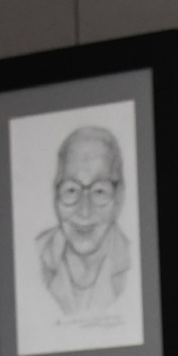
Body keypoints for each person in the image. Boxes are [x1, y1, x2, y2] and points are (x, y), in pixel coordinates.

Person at [37, 126, 135, 314]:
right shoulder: (32, 256)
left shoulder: (136, 262)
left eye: (99, 191)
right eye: (71, 190)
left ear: (119, 197)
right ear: (55, 196)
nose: (84, 211)